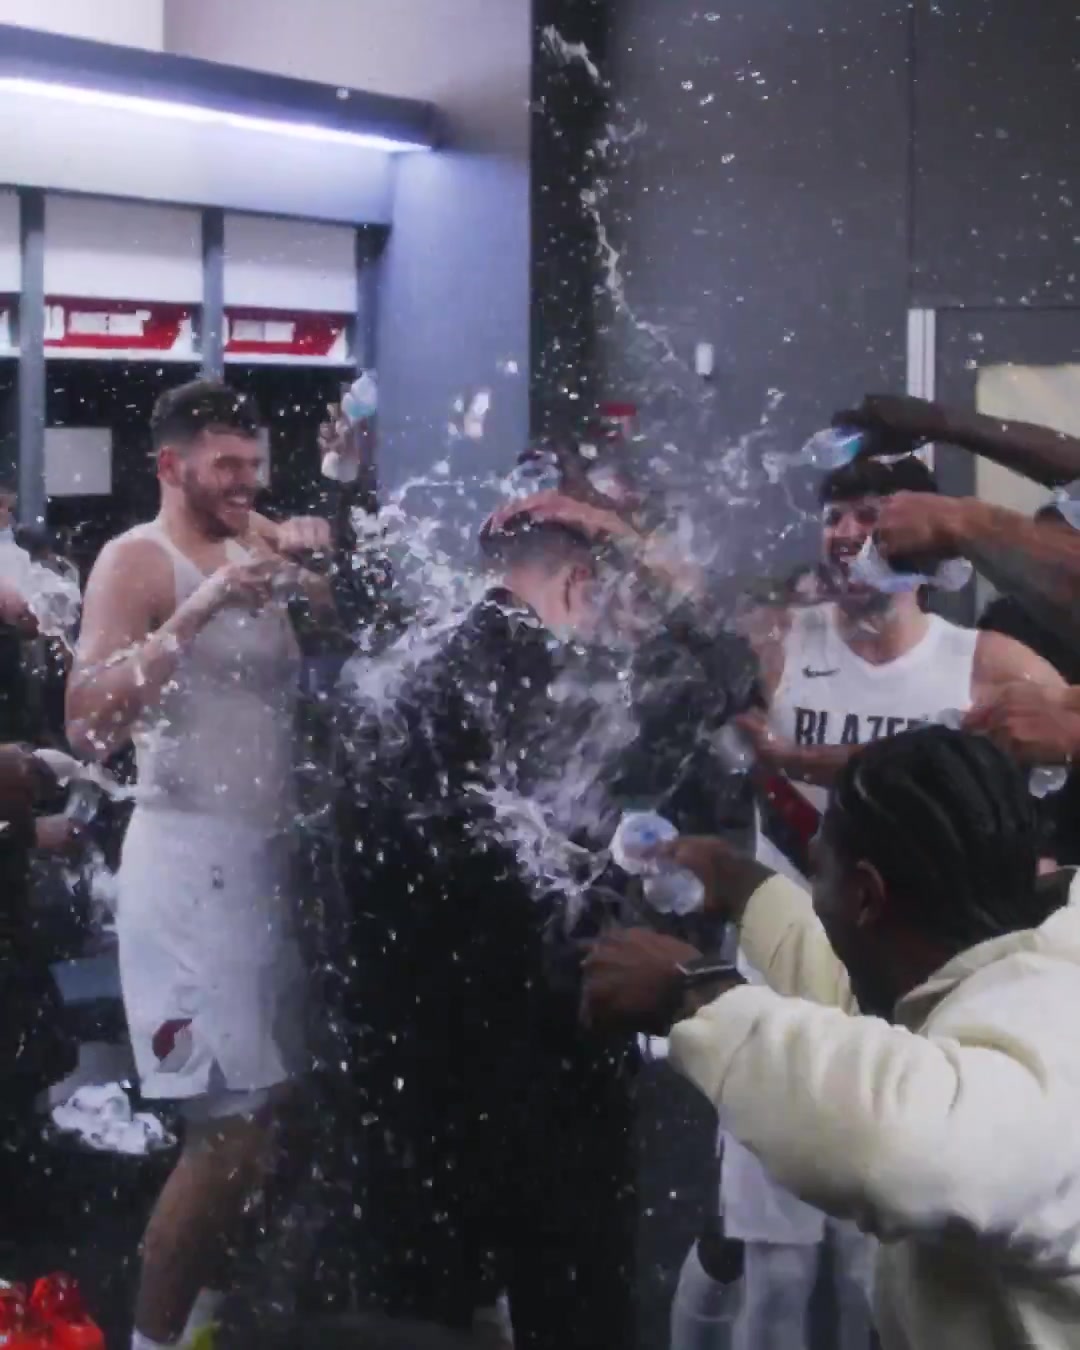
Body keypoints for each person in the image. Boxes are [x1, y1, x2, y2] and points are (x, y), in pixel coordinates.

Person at [338, 485, 755, 1349]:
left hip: (413, 1067)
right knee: (573, 1310)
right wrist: (626, 535)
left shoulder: (403, 674)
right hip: (555, 1052)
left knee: (421, 1314)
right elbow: (730, 665)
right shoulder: (584, 691)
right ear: (578, 581)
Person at [584, 725, 1080, 1350]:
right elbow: (869, 1016)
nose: (814, 893)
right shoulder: (1019, 962)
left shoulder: (1048, 1050)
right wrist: (740, 883)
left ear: (867, 896)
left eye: (818, 872)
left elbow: (895, 1141)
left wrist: (690, 993)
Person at [66, 379, 332, 1350]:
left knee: (274, 1130)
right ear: (171, 465)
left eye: (254, 464)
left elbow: (338, 623)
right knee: (227, 1136)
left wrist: (318, 559)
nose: (245, 481)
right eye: (226, 466)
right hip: (185, 873)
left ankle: (204, 1327)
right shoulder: (137, 559)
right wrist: (201, 606)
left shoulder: (260, 539)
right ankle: (150, 1341)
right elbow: (87, 724)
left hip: (269, 869)